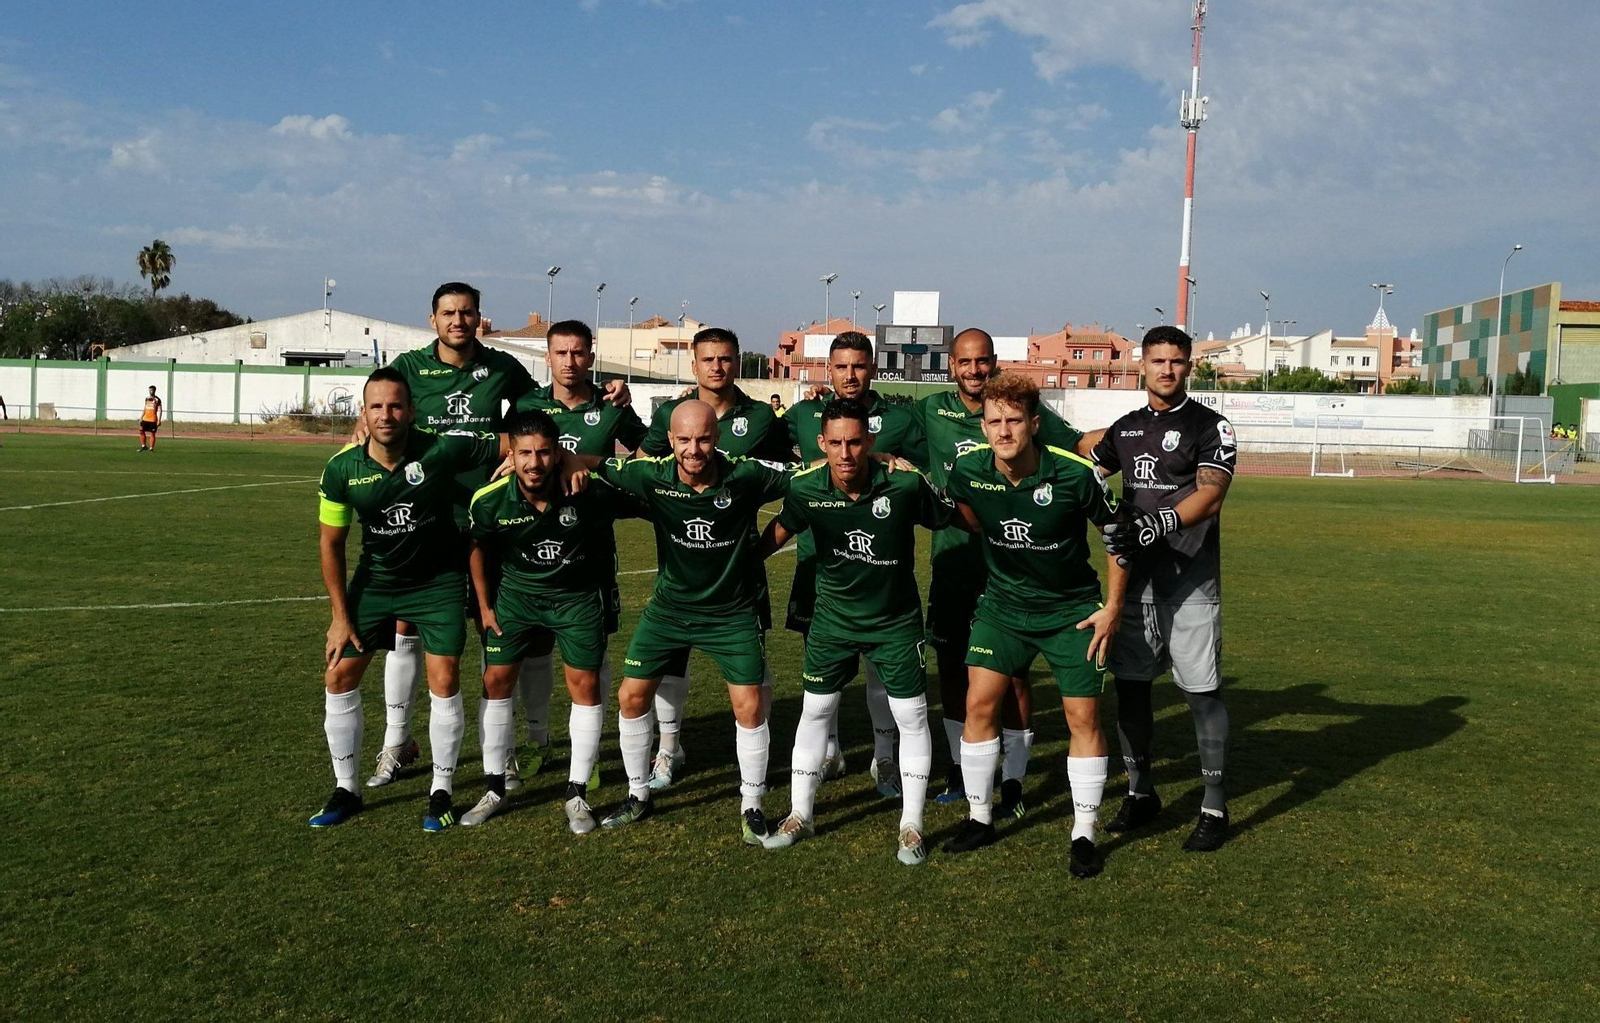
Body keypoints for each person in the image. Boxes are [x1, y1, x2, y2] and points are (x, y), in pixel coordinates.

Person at [364, 284, 630, 792]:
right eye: (448, 313)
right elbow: (379, 406)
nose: (457, 320)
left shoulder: (503, 367)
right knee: (405, 629)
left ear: (479, 318)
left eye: (466, 312)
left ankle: (518, 748)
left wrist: (608, 396)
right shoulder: (409, 366)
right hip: (426, 517)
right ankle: (397, 742)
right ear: (432, 319)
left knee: (510, 634)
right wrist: (362, 427)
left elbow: (539, 418)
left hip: (499, 518)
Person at [940, 373, 1124, 877]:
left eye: (1014, 420)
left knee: (1082, 719)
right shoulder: (969, 470)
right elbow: (966, 511)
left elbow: (1118, 537)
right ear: (983, 426)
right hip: (1002, 609)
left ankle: (1084, 834)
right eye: (994, 421)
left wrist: (1112, 608)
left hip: (1072, 613)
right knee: (978, 702)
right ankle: (980, 818)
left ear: (1034, 424)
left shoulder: (1075, 474)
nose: (1004, 430)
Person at [911, 328, 1098, 819]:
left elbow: (1081, 447)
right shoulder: (929, 411)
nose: (973, 370)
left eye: (982, 362)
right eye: (964, 362)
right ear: (951, 366)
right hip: (954, 564)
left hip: (1020, 569)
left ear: (992, 364)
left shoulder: (1018, 406)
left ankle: (1013, 777)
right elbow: (873, 441)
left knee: (1014, 676)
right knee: (955, 670)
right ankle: (960, 768)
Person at [308, 367, 505, 832]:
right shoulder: (342, 468)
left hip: (437, 584)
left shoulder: (442, 447)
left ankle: (441, 791)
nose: (386, 414)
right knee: (338, 676)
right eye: (376, 406)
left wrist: (518, 455)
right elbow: (330, 543)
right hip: (375, 583)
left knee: (445, 677)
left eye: (396, 405)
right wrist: (340, 616)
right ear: (363, 412)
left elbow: (510, 440)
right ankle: (347, 789)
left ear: (411, 411)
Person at [596, 400, 796, 844]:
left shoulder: (745, 474)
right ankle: (637, 795)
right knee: (631, 697)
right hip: (669, 610)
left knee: (750, 707)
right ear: (670, 440)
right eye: (683, 439)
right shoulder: (652, 474)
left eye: (703, 438)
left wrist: (871, 457)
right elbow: (597, 463)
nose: (693, 449)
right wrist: (567, 459)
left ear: (717, 438)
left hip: (731, 612)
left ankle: (752, 805)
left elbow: (808, 477)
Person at [757, 399, 947, 864]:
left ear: (871, 443)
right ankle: (801, 814)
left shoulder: (902, 484)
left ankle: (912, 825)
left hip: (896, 624)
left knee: (913, 719)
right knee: (816, 711)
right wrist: (735, 571)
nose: (846, 453)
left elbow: (950, 515)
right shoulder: (806, 489)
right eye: (836, 442)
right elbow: (778, 532)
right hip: (832, 623)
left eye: (855, 442)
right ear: (821, 445)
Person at [1093, 325, 1238, 853]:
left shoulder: (1211, 425)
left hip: (1190, 582)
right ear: (1143, 365)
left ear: (1189, 366)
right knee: (1131, 689)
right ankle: (1140, 792)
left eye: (1176, 362)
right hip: (1135, 585)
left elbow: (1211, 495)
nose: (1167, 370)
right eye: (1158, 361)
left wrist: (1156, 524)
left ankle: (1214, 805)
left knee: (1200, 694)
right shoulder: (1126, 428)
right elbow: (1088, 466)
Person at [637, 327, 798, 792]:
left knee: (752, 661)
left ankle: (756, 751)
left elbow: (796, 475)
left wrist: (766, 543)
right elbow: (647, 470)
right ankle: (668, 749)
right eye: (708, 359)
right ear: (694, 364)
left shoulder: (762, 419)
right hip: (682, 566)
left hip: (738, 572)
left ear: (737, 361)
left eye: (726, 358)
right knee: (671, 661)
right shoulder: (670, 413)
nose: (717, 367)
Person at [463, 409, 638, 833]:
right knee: (496, 681)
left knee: (586, 686)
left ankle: (577, 793)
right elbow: (477, 549)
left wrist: (589, 464)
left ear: (558, 453)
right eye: (524, 453)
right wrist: (485, 608)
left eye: (543, 452)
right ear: (512, 453)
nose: (533, 463)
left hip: (576, 601)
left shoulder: (587, 491)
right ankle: (494, 786)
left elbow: (644, 487)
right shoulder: (489, 499)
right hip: (516, 600)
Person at [781, 331, 926, 792]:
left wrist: (893, 461)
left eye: (859, 366)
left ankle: (884, 758)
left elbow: (931, 472)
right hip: (817, 567)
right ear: (829, 369)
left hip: (880, 570)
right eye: (841, 366)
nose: (850, 375)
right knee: (823, 669)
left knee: (881, 672)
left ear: (872, 368)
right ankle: (830, 751)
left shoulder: (900, 419)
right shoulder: (805, 413)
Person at [507, 319, 648, 790]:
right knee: (536, 647)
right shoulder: (526, 406)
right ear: (547, 358)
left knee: (593, 650)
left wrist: (596, 465)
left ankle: (592, 748)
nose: (570, 362)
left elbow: (648, 454)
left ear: (591, 355)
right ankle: (537, 739)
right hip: (530, 551)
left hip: (590, 548)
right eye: (560, 353)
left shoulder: (610, 406)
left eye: (578, 352)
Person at [137, 386, 162, 451]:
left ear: (154, 391)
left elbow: (160, 410)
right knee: (141, 431)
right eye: (150, 390)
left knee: (152, 433)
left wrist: (159, 419)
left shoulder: (157, 399)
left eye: (152, 390)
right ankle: (143, 446)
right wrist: (141, 417)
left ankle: (151, 448)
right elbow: (145, 408)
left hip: (153, 419)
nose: (151, 391)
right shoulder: (147, 398)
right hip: (145, 418)